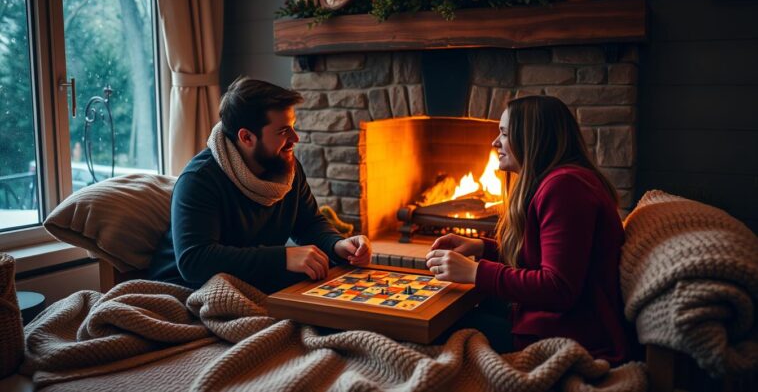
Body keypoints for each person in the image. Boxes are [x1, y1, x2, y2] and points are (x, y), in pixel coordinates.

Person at [426, 95, 630, 364]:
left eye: (504, 134)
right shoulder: (561, 180)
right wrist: (482, 247)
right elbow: (545, 257)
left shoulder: (566, 188)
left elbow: (558, 287)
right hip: (547, 319)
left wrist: (475, 271)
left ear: (532, 138)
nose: (494, 142)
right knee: (451, 305)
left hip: (566, 335)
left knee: (439, 324)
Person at [149, 77, 371, 293]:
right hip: (185, 288)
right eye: (284, 131)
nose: (296, 138)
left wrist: (337, 245)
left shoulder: (287, 167)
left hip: (250, 280)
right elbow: (194, 261)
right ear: (246, 137)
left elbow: (309, 224)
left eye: (293, 126)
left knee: (331, 278)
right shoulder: (199, 179)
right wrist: (283, 257)